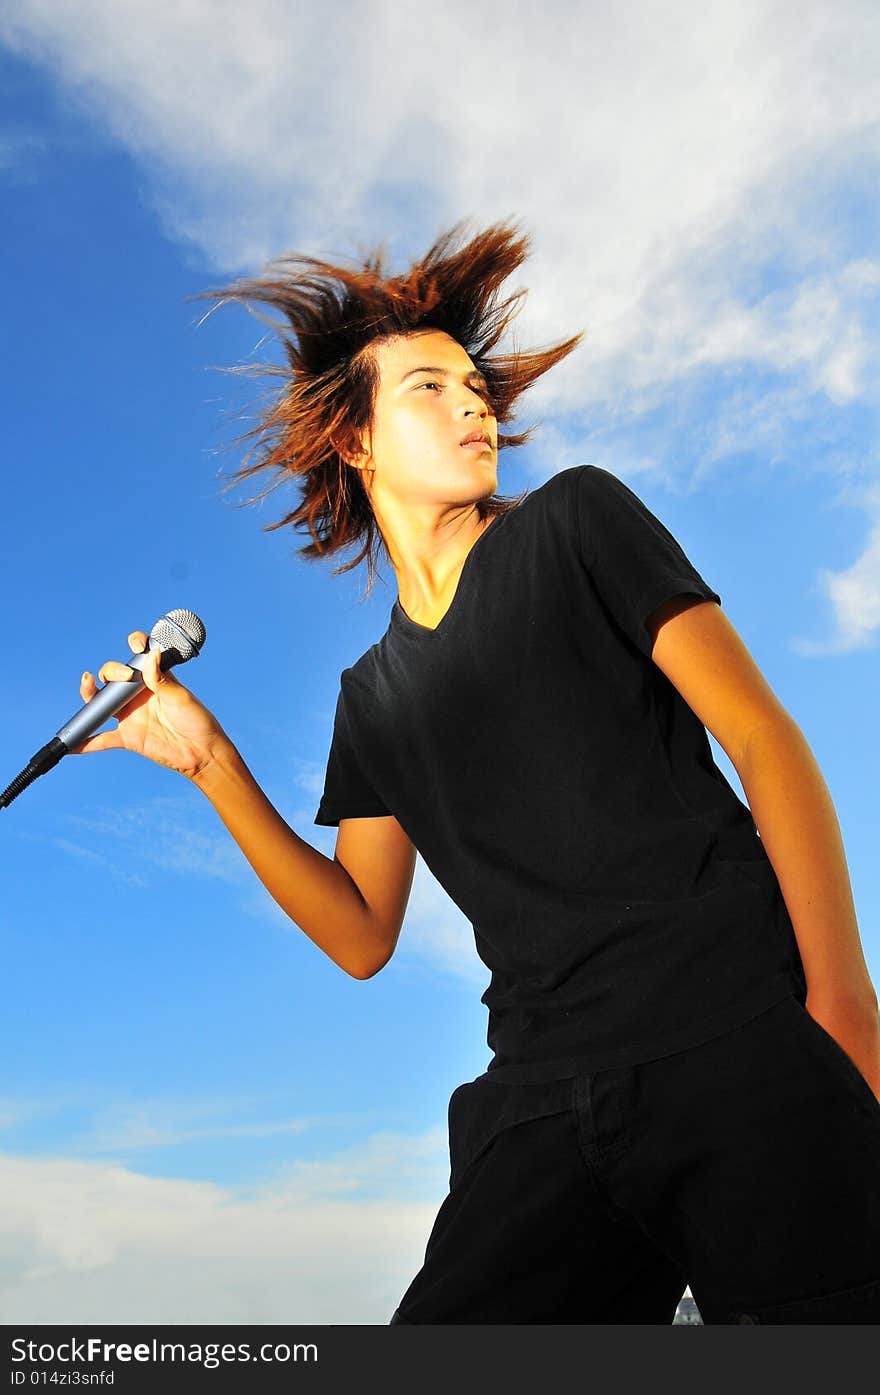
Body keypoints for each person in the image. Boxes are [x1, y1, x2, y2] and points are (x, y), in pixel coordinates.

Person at [74, 221, 880, 1324]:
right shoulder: (373, 696)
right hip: (537, 1102)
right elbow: (362, 933)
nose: (471, 404)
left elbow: (762, 740)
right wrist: (211, 764)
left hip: (736, 1041)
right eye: (426, 387)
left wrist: (841, 1005)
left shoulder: (578, 521)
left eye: (473, 384)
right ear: (354, 443)